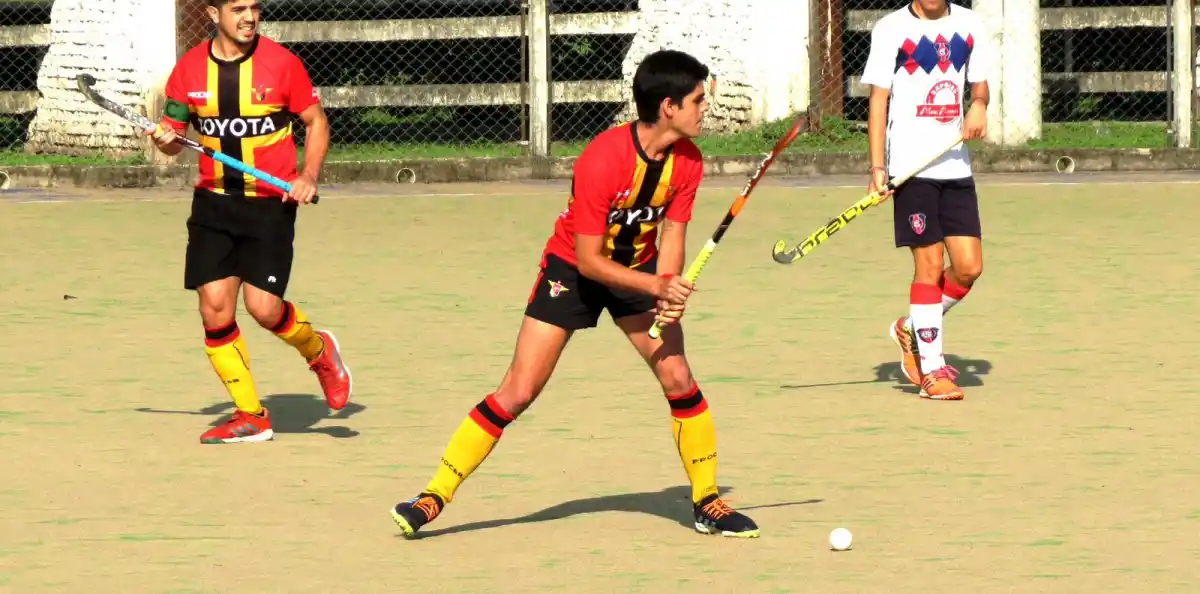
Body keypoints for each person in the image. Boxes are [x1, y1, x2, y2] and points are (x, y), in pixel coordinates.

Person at [389, 49, 759, 539]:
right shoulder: (602, 160)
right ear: (668, 106)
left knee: (679, 378)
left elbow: (672, 233)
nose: (704, 106)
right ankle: (433, 494)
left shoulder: (688, 161)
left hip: (641, 271)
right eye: (696, 99)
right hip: (574, 271)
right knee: (518, 391)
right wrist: (657, 285)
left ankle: (707, 502)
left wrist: (668, 293)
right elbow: (589, 260)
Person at [148, 0, 352, 443]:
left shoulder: (282, 64)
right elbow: (173, 140)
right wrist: (167, 139)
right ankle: (250, 415)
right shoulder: (187, 71)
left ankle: (319, 350)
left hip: (269, 204)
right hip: (214, 203)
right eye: (238, 8)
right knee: (214, 309)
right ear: (212, 14)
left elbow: (316, 122)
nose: (250, 17)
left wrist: (308, 175)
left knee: (265, 309)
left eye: (255, 7)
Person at [860, 0, 992, 400]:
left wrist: (979, 106)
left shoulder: (971, 25)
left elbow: (980, 87)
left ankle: (912, 327)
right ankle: (933, 369)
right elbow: (878, 101)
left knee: (969, 268)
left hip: (955, 166)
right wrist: (878, 169)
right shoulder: (890, 29)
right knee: (930, 265)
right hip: (910, 169)